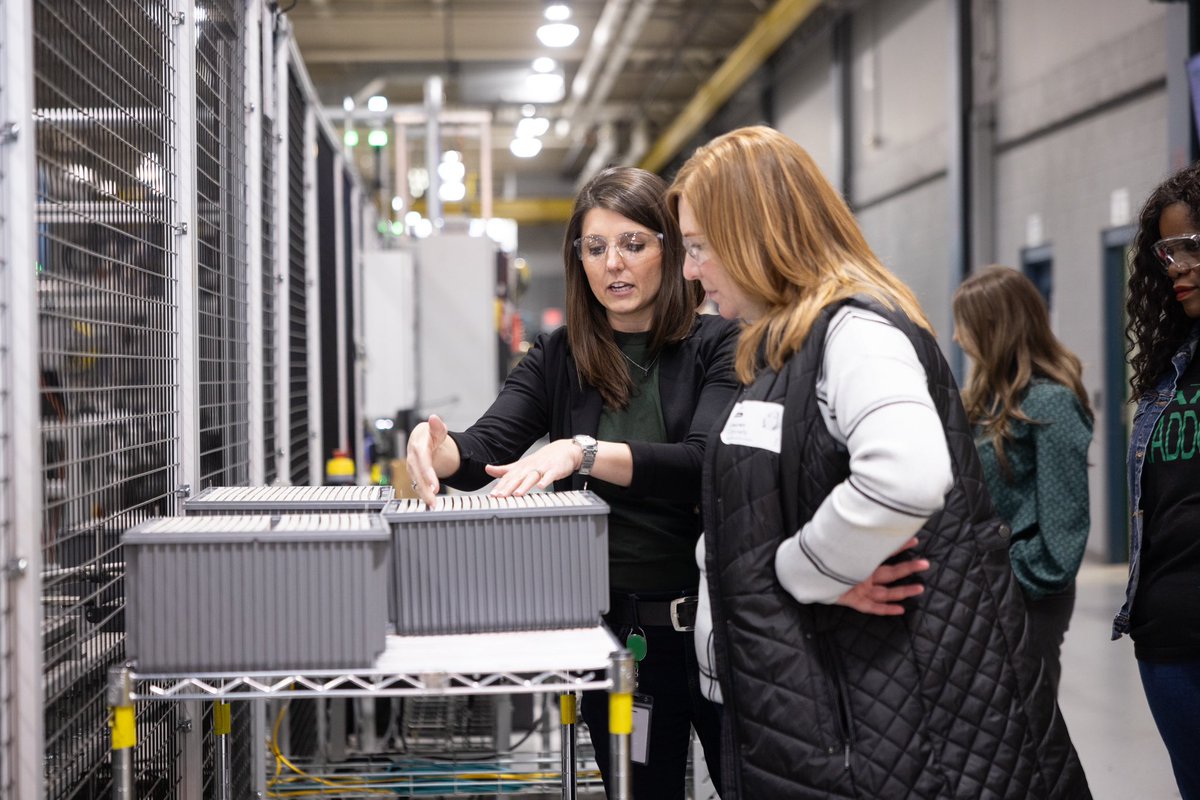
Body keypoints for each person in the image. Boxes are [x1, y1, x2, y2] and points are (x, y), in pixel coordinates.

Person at [669, 126, 1090, 799]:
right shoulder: (782, 346)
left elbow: (906, 474)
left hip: (873, 721)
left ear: (756, 235)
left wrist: (807, 567)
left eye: (698, 248)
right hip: (810, 704)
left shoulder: (854, 333)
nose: (691, 272)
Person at [406, 166, 737, 799]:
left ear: (671, 248)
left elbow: (702, 465)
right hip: (616, 644)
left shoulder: (720, 346)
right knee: (640, 790)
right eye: (594, 248)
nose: (613, 263)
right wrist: (439, 449)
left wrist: (581, 452)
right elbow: (484, 451)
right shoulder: (562, 354)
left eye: (633, 244)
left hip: (716, 635)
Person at [952, 266, 1094, 694]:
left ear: (994, 327)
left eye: (965, 325)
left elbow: (1062, 541)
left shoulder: (1051, 403)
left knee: (1028, 731)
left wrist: (999, 578)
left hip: (1027, 601)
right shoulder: (981, 401)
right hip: (986, 592)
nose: (957, 338)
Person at [1114, 162, 1200, 800]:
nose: (1178, 265)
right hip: (1168, 639)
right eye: (1168, 250)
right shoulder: (1170, 371)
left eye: (1192, 246)